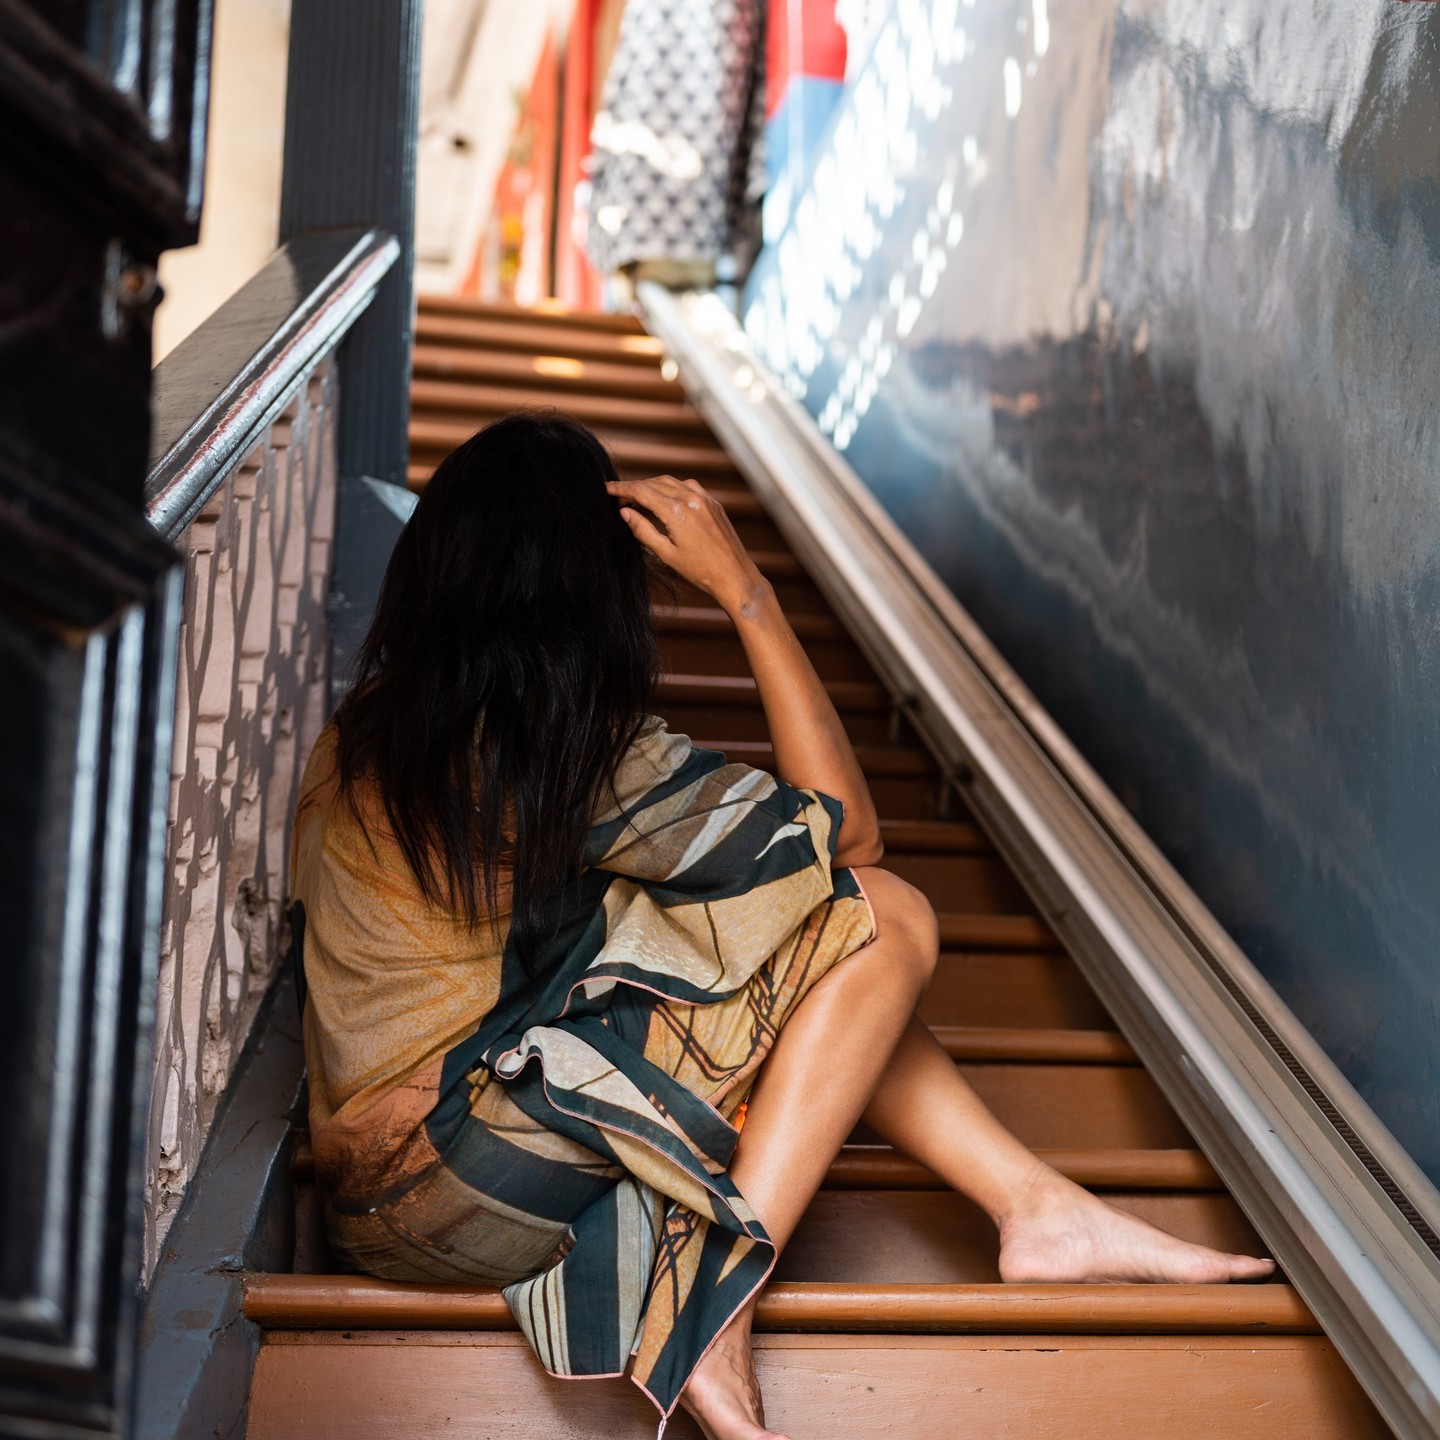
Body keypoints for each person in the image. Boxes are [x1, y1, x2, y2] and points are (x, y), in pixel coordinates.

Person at [289, 412, 1274, 1440]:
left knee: (799, 940)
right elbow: (854, 845)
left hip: (372, 1211)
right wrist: (747, 593)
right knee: (882, 916)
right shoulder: (558, 752)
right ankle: (716, 1305)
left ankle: (1038, 1205)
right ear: (593, 590)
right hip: (470, 1178)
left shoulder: (358, 740)